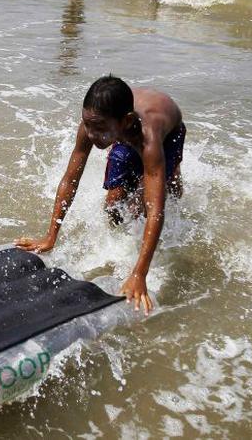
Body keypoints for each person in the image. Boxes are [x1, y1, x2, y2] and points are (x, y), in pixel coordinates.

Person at [15, 75, 186, 315]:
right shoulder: (94, 125)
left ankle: (173, 178)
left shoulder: (149, 137)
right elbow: (70, 179)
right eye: (88, 125)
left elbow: (156, 209)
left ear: (125, 121)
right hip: (122, 133)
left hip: (168, 133)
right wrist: (50, 237)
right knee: (114, 203)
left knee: (149, 202)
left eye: (99, 128)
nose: (92, 135)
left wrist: (139, 274)